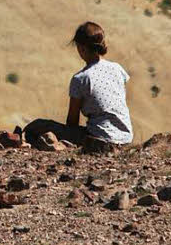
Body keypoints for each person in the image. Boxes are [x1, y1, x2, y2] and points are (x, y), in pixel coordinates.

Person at [25, 21, 132, 150]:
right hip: (126, 137)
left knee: (38, 125)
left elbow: (72, 121)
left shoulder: (81, 78)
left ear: (82, 48)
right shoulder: (117, 68)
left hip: (100, 137)